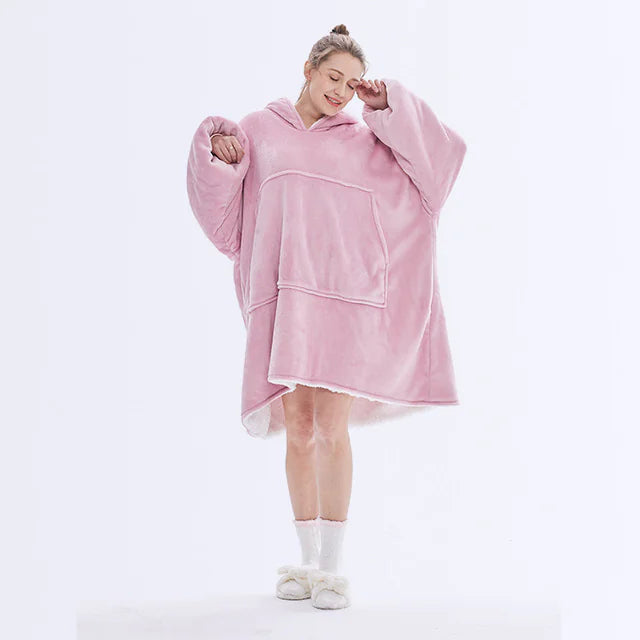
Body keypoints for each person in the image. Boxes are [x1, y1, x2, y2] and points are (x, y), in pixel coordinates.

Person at [186, 24, 467, 610]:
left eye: (351, 82)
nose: (341, 91)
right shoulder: (261, 130)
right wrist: (218, 153)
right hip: (286, 300)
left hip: (343, 304)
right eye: (333, 77)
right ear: (308, 70)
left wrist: (387, 106)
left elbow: (437, 170)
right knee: (299, 428)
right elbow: (225, 213)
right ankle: (308, 559)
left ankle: (333, 569)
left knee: (331, 428)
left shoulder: (366, 142)